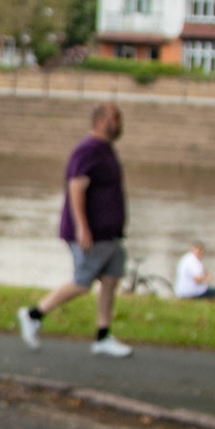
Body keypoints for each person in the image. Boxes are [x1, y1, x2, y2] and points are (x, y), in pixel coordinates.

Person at [17, 102, 133, 358]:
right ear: (102, 121)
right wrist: (82, 228)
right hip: (92, 234)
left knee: (111, 280)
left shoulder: (106, 149)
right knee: (82, 283)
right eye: (116, 118)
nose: (120, 123)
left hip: (110, 235)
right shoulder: (88, 149)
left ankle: (103, 336)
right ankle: (33, 314)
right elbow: (76, 188)